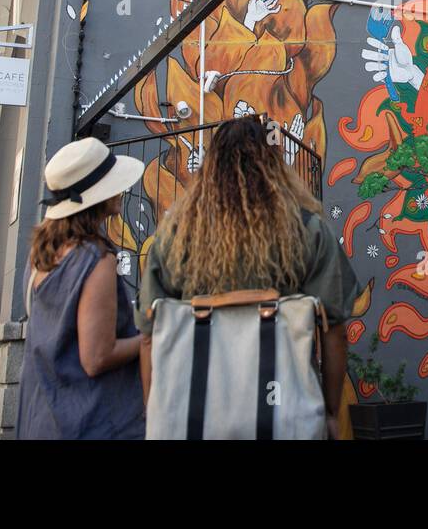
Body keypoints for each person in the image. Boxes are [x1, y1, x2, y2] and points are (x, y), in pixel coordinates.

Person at [137, 116, 357, 439]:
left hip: (194, 418)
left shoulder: (173, 237)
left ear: (209, 168)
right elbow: (334, 331)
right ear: (275, 165)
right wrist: (328, 411)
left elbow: (148, 336)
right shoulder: (308, 231)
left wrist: (155, 413)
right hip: (286, 416)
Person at [18, 137, 146, 439]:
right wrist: (153, 336)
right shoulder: (95, 259)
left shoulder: (41, 256)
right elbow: (97, 357)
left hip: (43, 414)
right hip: (91, 420)